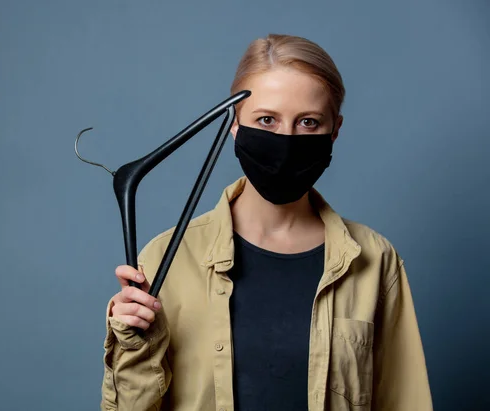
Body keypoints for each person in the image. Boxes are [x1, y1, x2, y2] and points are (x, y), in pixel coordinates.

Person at [100, 34, 433, 411]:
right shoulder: (165, 259)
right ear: (234, 124)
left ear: (335, 130)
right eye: (266, 120)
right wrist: (132, 344)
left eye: (308, 122)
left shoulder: (374, 260)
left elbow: (406, 401)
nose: (286, 140)